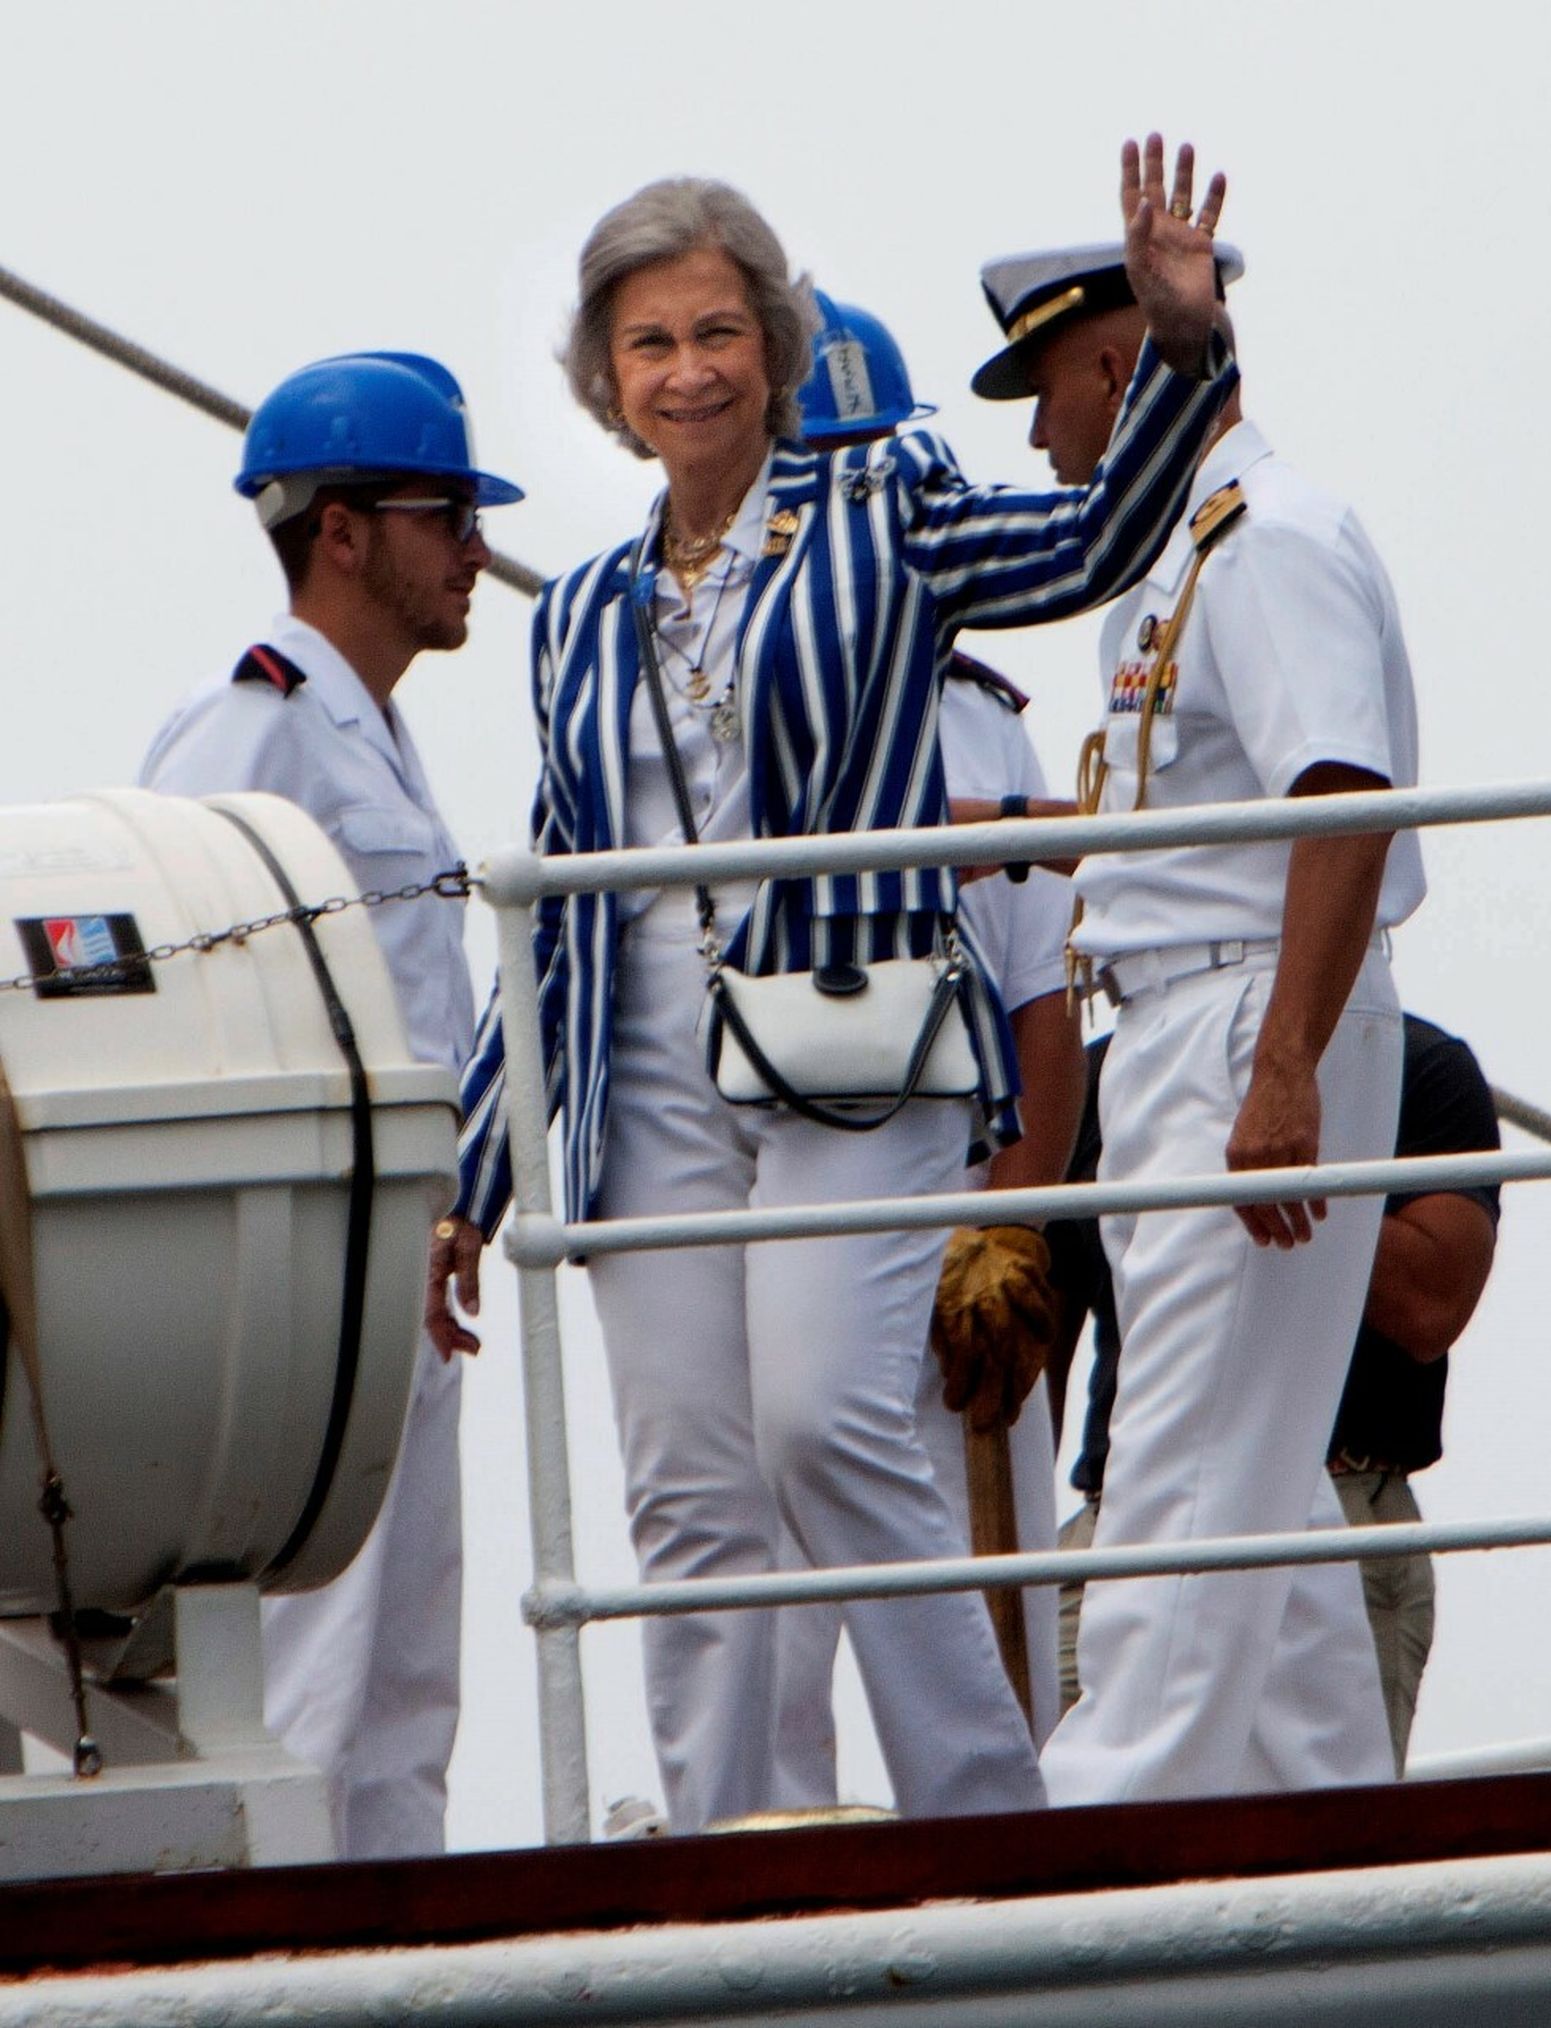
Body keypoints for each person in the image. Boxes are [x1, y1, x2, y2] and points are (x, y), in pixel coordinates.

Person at [433, 140, 1238, 1832]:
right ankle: (734, 1847)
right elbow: (550, 902)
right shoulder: (576, 616)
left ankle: (986, 1816)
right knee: (693, 1498)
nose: (689, 371)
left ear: (776, 348)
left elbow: (1096, 541)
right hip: (646, 1072)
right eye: (652, 343)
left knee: (826, 1424)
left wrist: (1179, 348)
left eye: (719, 331)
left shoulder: (885, 516)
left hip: (848, 1039)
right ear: (608, 377)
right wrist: (476, 1171)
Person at [970, 232, 1427, 1803]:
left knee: (1176, 1469)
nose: (1043, 440)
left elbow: (1344, 797)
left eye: (1046, 394)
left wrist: (1283, 1065)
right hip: (1190, 1022)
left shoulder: (1268, 540)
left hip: (1247, 1018)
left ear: (1118, 370)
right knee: (1258, 1483)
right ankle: (1342, 1831)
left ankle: (1100, 1845)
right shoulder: (1176, 563)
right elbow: (1186, 829)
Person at [140, 350, 523, 1858]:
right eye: (449, 517)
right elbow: (174, 975)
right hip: (313, 1263)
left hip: (400, 1254)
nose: (476, 551)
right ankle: (290, 1941)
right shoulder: (258, 718)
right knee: (319, 1664)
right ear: (345, 533)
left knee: (409, 1672)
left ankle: (396, 1940)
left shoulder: (366, 726)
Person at [768, 298, 1080, 1794]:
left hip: (952, 1217)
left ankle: (1005, 1868)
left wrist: (1011, 1228)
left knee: (984, 1605)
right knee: (772, 1620)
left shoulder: (980, 716)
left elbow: (1041, 1003)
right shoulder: (707, 691)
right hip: (778, 1207)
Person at [1049, 1019, 1500, 1772]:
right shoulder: (1098, 1080)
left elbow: (1432, 1305)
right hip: (1122, 1517)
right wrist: (1001, 1563)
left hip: (1340, 1503)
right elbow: (1029, 1353)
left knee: (1321, 1830)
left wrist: (1272, 1167)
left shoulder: (1422, 1067)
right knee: (1053, 1816)